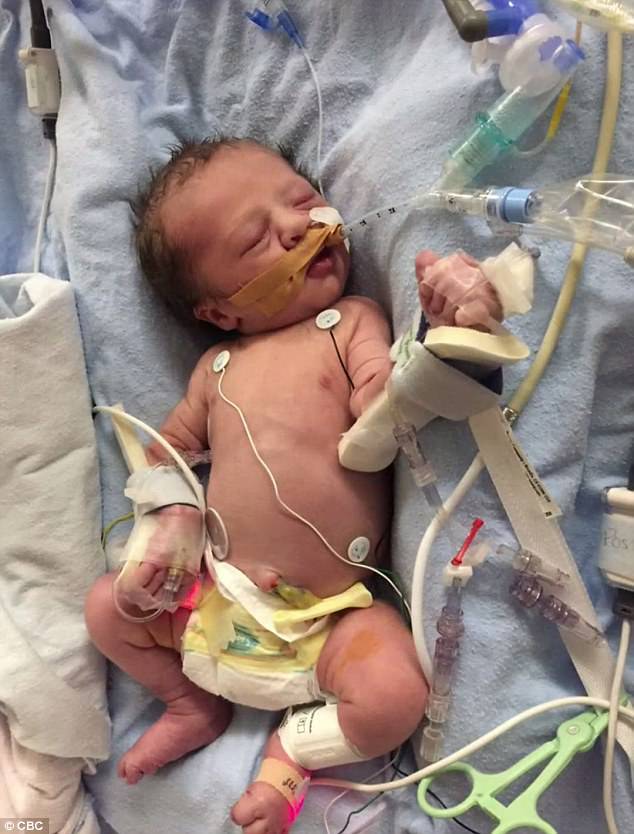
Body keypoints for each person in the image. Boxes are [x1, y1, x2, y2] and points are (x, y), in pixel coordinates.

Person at [85, 136, 502, 834]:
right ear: (219, 311)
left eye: (304, 201)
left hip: (332, 616)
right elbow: (163, 454)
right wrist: (175, 518)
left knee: (395, 696)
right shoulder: (216, 369)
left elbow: (384, 403)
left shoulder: (351, 323)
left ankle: (293, 752)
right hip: (217, 598)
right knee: (106, 609)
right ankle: (190, 704)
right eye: (256, 240)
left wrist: (441, 331)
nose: (297, 226)